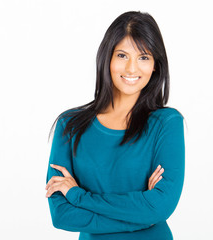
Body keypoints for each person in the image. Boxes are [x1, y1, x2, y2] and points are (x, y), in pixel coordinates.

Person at [45, 11, 185, 240]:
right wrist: (143, 214)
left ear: (155, 65)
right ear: (107, 58)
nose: (131, 69)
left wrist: (79, 196)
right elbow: (62, 216)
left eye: (143, 57)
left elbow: (161, 207)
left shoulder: (167, 124)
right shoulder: (69, 126)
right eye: (122, 55)